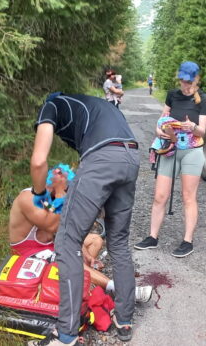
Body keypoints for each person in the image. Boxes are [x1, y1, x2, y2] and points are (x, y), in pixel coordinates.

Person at [28, 93, 140, 345]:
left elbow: (38, 161)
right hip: (131, 156)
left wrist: (39, 196)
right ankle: (124, 320)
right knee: (119, 241)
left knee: (67, 243)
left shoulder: (53, 104)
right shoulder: (97, 107)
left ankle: (65, 334)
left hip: (102, 157)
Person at [8, 164, 152, 303]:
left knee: (95, 240)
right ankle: (120, 290)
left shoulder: (51, 198)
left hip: (50, 248)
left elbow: (66, 234)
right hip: (28, 254)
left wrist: (87, 255)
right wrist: (61, 193)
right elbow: (54, 226)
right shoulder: (28, 199)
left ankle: (86, 276)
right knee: (71, 259)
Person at [134, 61, 206, 258]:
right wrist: (161, 132)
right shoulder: (172, 95)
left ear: (195, 79)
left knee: (188, 196)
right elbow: (161, 122)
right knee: (160, 195)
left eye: (187, 81)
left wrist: (191, 126)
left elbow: (203, 130)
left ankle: (187, 241)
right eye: (181, 80)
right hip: (170, 148)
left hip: (192, 151)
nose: (183, 84)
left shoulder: (203, 100)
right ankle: (152, 236)